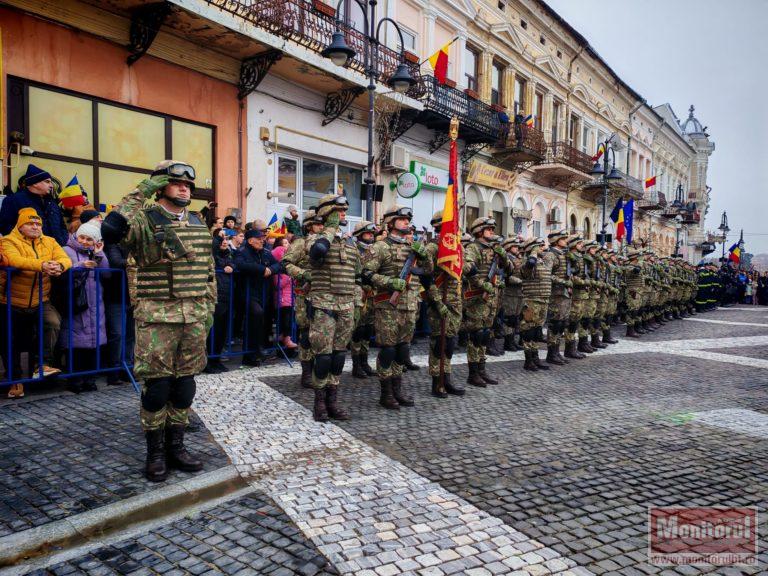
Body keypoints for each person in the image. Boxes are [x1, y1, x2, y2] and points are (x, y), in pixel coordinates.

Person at [100, 160, 215, 482]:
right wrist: (142, 190)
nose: (184, 189)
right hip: (157, 316)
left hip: (193, 316)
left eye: (189, 185)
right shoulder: (143, 221)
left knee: (185, 385)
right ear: (161, 186)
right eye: (177, 183)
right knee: (157, 387)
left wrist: (209, 310)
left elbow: (208, 272)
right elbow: (110, 230)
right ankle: (155, 453)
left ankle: (177, 447)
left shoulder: (197, 222)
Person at [363, 205, 432, 409]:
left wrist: (425, 255)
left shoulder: (413, 246)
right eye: (402, 219)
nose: (406, 222)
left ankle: (398, 389)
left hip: (410, 306)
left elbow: (427, 271)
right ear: (391, 222)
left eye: (407, 219)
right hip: (388, 306)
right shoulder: (380, 247)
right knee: (388, 350)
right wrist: (389, 282)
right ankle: (386, 393)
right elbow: (365, 273)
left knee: (403, 350)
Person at [0, 208, 71, 398]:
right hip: (11, 300)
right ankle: (14, 380)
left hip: (41, 299)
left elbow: (64, 258)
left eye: (38, 223)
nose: (35, 227)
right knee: (10, 340)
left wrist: (60, 266)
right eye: (30, 223)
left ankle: (42, 365)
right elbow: (14, 260)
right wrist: (42, 265)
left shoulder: (50, 241)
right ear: (20, 226)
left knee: (53, 322)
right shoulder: (8, 240)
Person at [306, 194, 360, 421]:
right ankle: (319, 403)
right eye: (339, 212)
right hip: (324, 306)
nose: (343, 216)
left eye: (344, 212)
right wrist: (329, 229)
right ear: (327, 214)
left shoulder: (349, 244)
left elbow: (358, 276)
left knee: (338, 357)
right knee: (324, 357)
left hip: (346, 305)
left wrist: (357, 304)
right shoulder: (315, 239)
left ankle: (332, 401)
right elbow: (318, 252)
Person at [61, 221, 110, 393]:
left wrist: (100, 253)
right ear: (76, 235)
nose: (84, 241)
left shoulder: (94, 252)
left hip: (95, 302)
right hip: (76, 302)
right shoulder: (66, 250)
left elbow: (106, 273)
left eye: (89, 239)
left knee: (92, 343)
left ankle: (90, 379)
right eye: (82, 237)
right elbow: (63, 271)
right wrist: (79, 266)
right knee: (76, 344)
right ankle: (75, 380)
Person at [422, 210, 464, 398]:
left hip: (455, 301)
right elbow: (426, 278)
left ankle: (446, 378)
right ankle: (436, 381)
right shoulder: (431, 248)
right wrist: (437, 301)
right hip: (439, 299)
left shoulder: (456, 247)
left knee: (450, 342)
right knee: (439, 343)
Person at [282, 209, 323, 389]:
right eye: (317, 224)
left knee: (322, 334)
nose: (321, 227)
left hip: (325, 294)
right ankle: (307, 372)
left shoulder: (330, 243)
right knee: (306, 334)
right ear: (308, 226)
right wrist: (304, 274)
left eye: (323, 223)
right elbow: (286, 263)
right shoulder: (301, 243)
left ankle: (320, 371)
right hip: (305, 295)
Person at [462, 217, 504, 387]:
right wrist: (482, 283)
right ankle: (473, 373)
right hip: (477, 298)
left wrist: (503, 256)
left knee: (485, 334)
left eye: (493, 229)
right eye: (489, 229)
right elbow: (467, 270)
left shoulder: (493, 249)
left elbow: (506, 269)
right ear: (479, 231)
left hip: (491, 299)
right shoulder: (473, 248)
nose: (492, 232)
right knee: (476, 335)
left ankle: (482, 369)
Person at [234, 229, 280, 366]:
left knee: (261, 320)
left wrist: (270, 270)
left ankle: (256, 354)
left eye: (263, 238)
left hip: (263, 293)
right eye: (259, 238)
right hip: (246, 292)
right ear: (250, 240)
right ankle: (251, 354)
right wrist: (262, 270)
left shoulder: (265, 252)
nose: (262, 241)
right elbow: (241, 265)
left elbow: (278, 264)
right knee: (256, 315)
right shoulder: (242, 251)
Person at [0, 164, 69, 246]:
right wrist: (26, 243)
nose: (51, 186)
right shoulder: (13, 200)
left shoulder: (52, 203)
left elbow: (62, 226)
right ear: (34, 183)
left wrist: (62, 240)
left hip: (56, 249)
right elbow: (5, 226)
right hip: (28, 251)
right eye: (47, 182)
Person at [519, 237, 554, 371]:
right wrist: (532, 253)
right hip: (532, 301)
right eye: (538, 246)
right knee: (528, 331)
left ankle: (535, 357)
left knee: (536, 331)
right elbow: (527, 268)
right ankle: (528, 360)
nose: (542, 248)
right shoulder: (528, 262)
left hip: (543, 300)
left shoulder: (542, 261)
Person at [204, 232, 236, 374]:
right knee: (212, 330)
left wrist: (231, 265)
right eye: (221, 240)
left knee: (222, 330)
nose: (225, 242)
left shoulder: (227, 254)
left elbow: (233, 262)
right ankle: (209, 360)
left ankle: (216, 359)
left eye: (226, 240)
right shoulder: (211, 256)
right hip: (214, 296)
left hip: (226, 295)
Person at [350, 221, 377, 379]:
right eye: (368, 234)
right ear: (359, 234)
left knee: (368, 329)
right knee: (358, 330)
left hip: (373, 293)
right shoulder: (353, 249)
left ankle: (364, 361)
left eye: (372, 234)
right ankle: (356, 364)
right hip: (358, 293)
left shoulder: (374, 250)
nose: (371, 237)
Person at [545, 230, 571, 366]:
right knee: (555, 324)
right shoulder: (550, 255)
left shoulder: (564, 255)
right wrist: (562, 281)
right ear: (556, 240)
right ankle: (551, 353)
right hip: (556, 294)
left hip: (565, 293)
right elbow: (546, 274)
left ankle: (557, 352)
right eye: (563, 238)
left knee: (562, 324)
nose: (566, 241)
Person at [270, 237, 298, 350]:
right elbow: (278, 284)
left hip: (289, 297)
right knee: (284, 320)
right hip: (282, 298)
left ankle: (284, 337)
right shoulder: (279, 268)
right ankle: (285, 338)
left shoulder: (287, 266)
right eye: (285, 243)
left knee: (289, 319)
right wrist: (289, 277)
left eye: (288, 242)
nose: (288, 245)